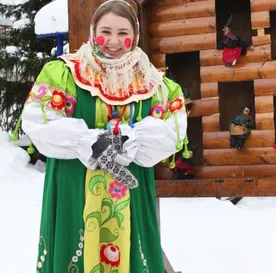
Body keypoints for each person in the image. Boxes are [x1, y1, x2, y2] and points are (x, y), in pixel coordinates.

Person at [20, 1, 188, 272]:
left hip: (131, 194)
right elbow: (38, 121)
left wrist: (126, 141)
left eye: (123, 33)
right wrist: (88, 142)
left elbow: (172, 131)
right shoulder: (64, 74)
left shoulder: (156, 84)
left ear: (135, 35)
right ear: (92, 31)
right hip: (74, 185)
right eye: (106, 31)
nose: (114, 41)